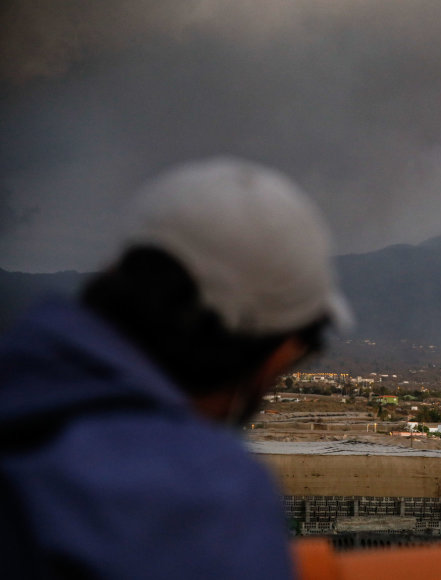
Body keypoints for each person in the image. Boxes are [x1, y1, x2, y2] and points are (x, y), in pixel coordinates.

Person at [0, 157, 351, 579]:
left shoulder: (20, 376)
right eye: (307, 343)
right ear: (278, 349)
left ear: (116, 271)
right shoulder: (200, 495)